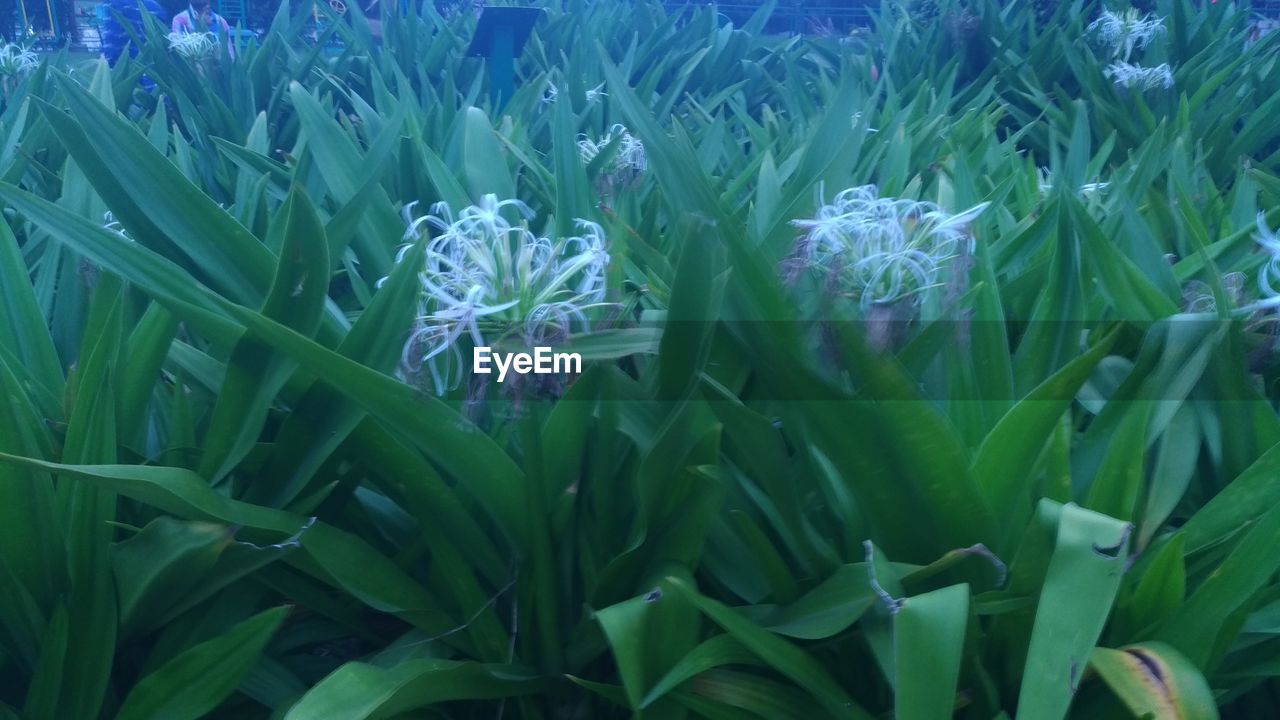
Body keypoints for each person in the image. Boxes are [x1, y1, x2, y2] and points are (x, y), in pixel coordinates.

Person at [100, 0, 166, 65]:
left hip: (126, 67)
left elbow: (112, 41)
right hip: (151, 67)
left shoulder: (115, 3)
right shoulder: (156, 7)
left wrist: (105, 65)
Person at [171, 0, 235, 58]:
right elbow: (180, 53)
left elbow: (229, 56)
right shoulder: (180, 20)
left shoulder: (220, 22)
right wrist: (201, 26)